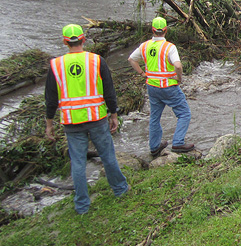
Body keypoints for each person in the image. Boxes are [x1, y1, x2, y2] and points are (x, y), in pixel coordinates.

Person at [45, 24, 129, 215]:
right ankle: (120, 190)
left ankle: (82, 204)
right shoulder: (96, 61)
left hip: (71, 121)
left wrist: (49, 125)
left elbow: (50, 100)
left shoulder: (56, 65)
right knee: (107, 155)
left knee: (78, 162)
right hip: (96, 117)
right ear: (84, 39)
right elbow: (109, 90)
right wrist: (113, 114)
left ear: (65, 42)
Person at [128, 17, 194, 156]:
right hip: (168, 86)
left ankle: (154, 146)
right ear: (165, 30)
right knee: (184, 113)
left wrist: (142, 73)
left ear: (152, 30)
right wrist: (179, 78)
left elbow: (131, 59)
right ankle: (178, 142)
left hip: (152, 86)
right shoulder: (170, 47)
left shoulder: (144, 46)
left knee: (154, 117)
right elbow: (177, 65)